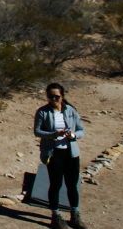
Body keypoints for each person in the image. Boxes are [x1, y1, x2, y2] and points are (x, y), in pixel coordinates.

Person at [34, 82, 88, 229]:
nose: (53, 99)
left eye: (56, 96)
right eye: (50, 96)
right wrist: (53, 134)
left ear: (62, 96)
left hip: (71, 153)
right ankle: (55, 216)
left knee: (72, 185)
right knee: (56, 184)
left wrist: (73, 135)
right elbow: (37, 131)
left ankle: (75, 215)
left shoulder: (71, 110)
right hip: (53, 153)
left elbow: (82, 130)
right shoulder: (42, 112)